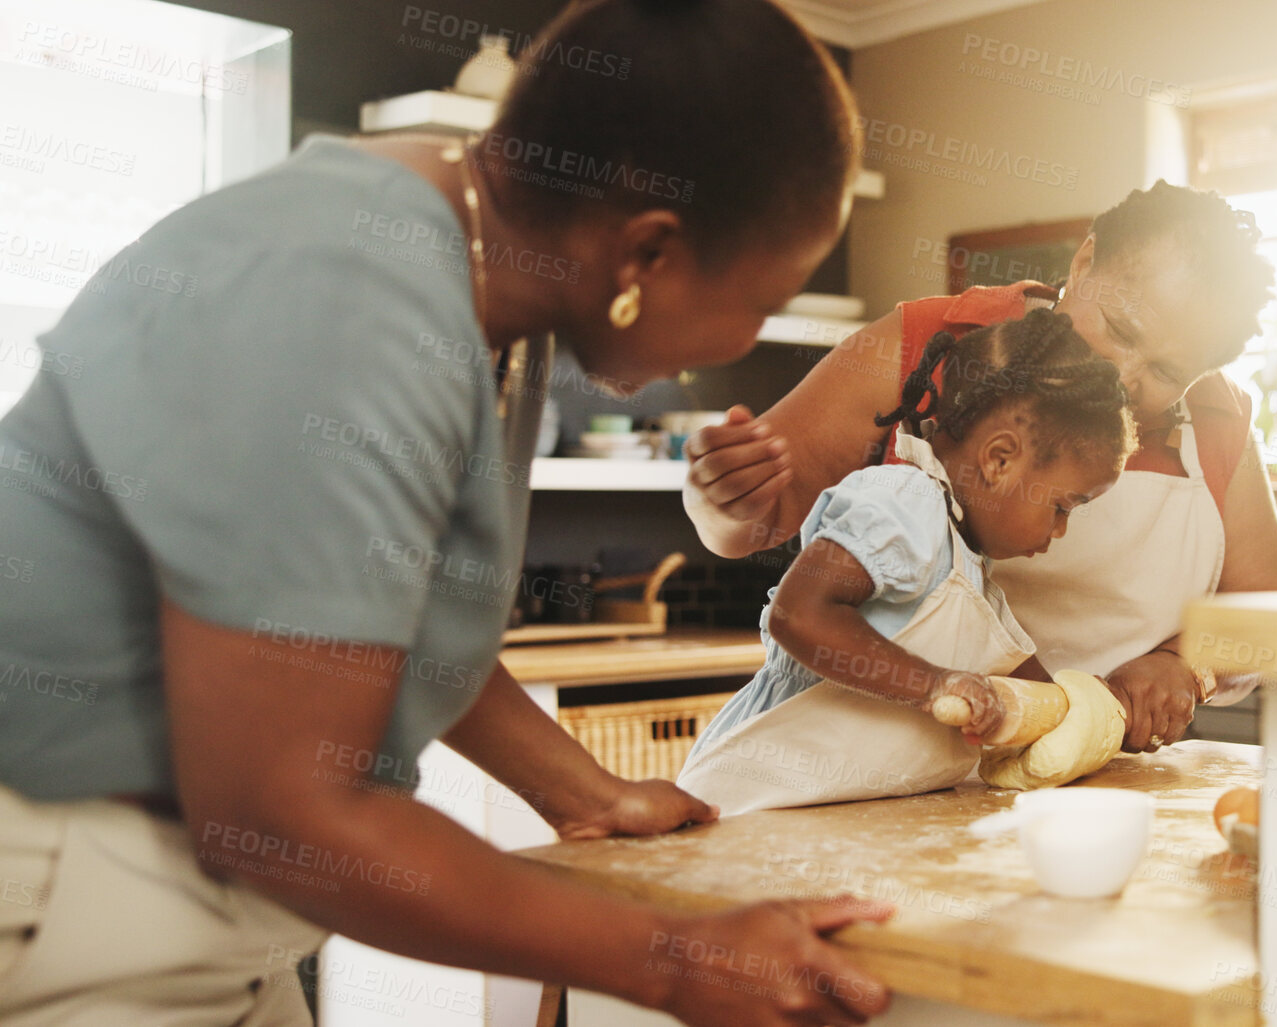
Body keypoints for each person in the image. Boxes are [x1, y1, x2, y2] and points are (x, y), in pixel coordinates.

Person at [0, 2, 894, 1025]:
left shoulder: (476, 265)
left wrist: (583, 791)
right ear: (646, 253)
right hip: (54, 891)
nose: (734, 340)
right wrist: (671, 958)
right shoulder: (346, 295)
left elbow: (371, 614)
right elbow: (278, 810)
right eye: (759, 297)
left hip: (193, 905)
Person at [684, 182, 1277, 753]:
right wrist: (722, 500)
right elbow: (752, 533)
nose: (1124, 376)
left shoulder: (1219, 417)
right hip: (854, 763)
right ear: (1083, 265)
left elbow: (1272, 620)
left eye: (1165, 373)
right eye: (1118, 329)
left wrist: (1185, 665)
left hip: (1077, 786)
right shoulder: (928, 341)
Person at [678, 309, 1135, 814]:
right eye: (1062, 507)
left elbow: (1035, 692)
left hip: (828, 824)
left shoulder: (971, 574)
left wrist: (1101, 715)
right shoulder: (904, 500)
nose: (1060, 531)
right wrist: (933, 684)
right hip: (752, 799)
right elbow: (800, 615)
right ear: (999, 459)